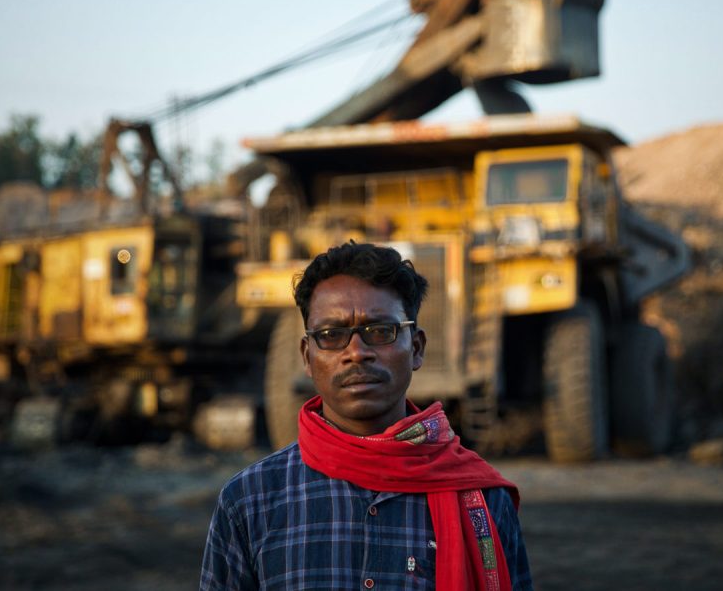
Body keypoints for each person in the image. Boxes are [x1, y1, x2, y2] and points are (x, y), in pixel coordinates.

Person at [200, 242, 532, 590]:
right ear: (306, 356)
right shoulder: (249, 501)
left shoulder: (483, 500)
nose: (356, 353)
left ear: (416, 348)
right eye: (331, 335)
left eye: (379, 332)